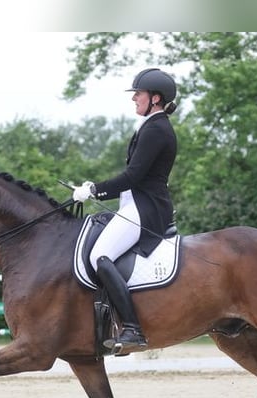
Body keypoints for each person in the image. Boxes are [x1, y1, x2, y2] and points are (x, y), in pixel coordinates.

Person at [72, 67, 178, 355]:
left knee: (99, 255)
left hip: (146, 209)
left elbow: (132, 177)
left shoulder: (157, 129)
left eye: (138, 94)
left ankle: (132, 328)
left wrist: (94, 190)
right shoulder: (150, 126)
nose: (134, 99)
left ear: (155, 98)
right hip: (134, 204)